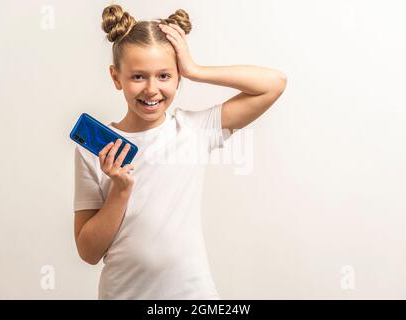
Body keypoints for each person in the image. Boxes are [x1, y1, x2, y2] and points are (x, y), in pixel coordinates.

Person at [73, 3, 287, 300]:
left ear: (178, 78)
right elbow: (88, 252)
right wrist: (119, 191)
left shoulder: (195, 131)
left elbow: (274, 84)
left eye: (164, 76)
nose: (151, 89)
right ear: (116, 77)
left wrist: (195, 69)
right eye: (138, 77)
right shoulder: (96, 151)